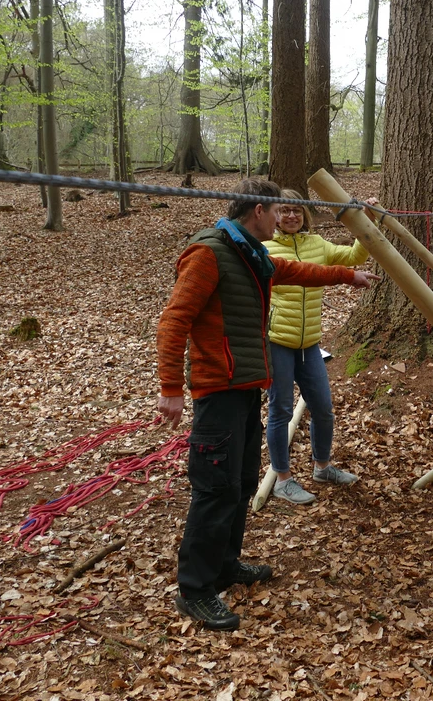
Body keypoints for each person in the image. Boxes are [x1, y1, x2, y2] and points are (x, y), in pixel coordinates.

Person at [156, 178, 378, 631]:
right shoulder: (209, 253)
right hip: (216, 391)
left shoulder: (249, 251)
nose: (282, 219)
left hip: (244, 387)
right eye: (277, 211)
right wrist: (170, 389)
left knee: (239, 484)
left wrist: (347, 275)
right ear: (259, 210)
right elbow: (174, 319)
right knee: (214, 490)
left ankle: (225, 566)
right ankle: (195, 590)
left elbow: (296, 273)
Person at [263, 189, 376, 505]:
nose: (291, 216)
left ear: (305, 215)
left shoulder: (316, 245)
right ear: (273, 215)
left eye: (297, 211)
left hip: (310, 343)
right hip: (278, 343)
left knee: (323, 409)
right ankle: (282, 479)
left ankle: (322, 466)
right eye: (284, 210)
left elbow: (353, 258)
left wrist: (363, 221)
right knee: (281, 411)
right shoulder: (264, 248)